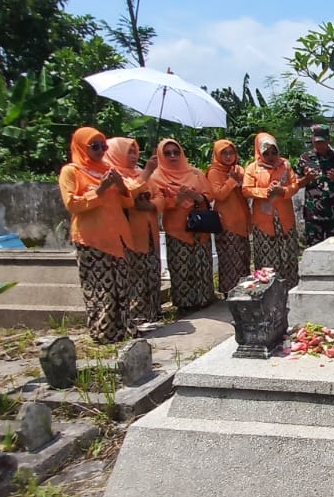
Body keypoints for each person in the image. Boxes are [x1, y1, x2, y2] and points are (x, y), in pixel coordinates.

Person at [58, 127, 136, 343]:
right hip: (92, 239)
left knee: (121, 285)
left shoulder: (108, 169)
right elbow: (72, 204)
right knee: (101, 288)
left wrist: (120, 186)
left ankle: (124, 329)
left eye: (104, 146)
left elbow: (127, 202)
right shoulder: (71, 171)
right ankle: (103, 333)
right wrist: (100, 190)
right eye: (95, 146)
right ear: (82, 147)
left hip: (117, 236)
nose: (101, 150)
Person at [152, 137, 216, 312]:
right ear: (161, 155)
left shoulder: (195, 173)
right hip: (177, 229)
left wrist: (196, 197)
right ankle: (185, 304)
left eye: (176, 152)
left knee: (202, 263)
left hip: (200, 227)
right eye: (168, 153)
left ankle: (205, 298)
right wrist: (177, 200)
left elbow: (209, 194)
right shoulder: (157, 176)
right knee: (182, 266)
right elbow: (158, 204)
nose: (173, 156)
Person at [105, 136, 163, 325]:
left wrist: (152, 205)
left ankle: (153, 311)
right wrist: (146, 172)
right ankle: (136, 314)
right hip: (129, 233)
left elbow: (159, 194)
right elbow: (127, 195)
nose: (133, 155)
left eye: (134, 151)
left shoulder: (139, 172)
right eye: (128, 151)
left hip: (150, 231)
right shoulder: (112, 174)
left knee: (152, 271)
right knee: (134, 273)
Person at [243, 132, 302, 289]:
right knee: (267, 257)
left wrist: (282, 190)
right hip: (263, 222)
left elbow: (295, 185)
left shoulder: (285, 165)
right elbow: (246, 190)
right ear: (259, 152)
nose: (270, 156)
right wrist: (266, 192)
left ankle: (290, 288)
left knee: (288, 255)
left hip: (285, 219)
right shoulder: (252, 168)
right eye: (266, 153)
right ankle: (267, 290)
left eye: (274, 152)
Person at [207, 137, 252, 295]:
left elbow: (247, 191)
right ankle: (229, 292)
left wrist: (240, 183)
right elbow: (218, 195)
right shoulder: (214, 171)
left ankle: (244, 292)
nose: (228, 156)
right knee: (229, 259)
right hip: (226, 223)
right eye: (224, 153)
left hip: (242, 221)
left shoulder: (239, 169)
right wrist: (232, 181)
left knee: (243, 258)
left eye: (231, 152)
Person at [294, 124, 334, 246]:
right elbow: (296, 184)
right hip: (313, 215)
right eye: (317, 142)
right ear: (312, 140)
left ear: (328, 140)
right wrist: (307, 178)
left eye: (322, 142)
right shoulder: (305, 158)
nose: (319, 145)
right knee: (314, 249)